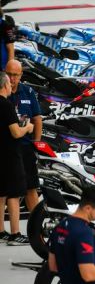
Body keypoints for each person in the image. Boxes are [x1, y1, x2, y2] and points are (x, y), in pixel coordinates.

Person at [0, 70, 33, 245]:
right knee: (14, 193)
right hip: (10, 154)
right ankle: (15, 233)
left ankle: (0, 231)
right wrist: (27, 128)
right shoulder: (6, 105)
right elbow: (15, 132)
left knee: (1, 193)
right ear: (5, 85)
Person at [6, 59, 41, 215]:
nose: (12, 79)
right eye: (9, 74)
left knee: (31, 187)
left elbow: (37, 118)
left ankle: (36, 225)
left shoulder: (28, 91)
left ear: (21, 75)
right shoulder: (2, 93)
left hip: (25, 146)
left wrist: (37, 143)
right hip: (6, 146)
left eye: (15, 75)